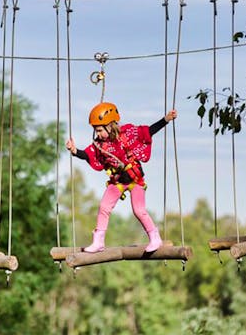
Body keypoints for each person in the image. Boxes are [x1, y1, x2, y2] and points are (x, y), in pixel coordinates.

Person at [65, 102, 178, 253]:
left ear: (110, 125)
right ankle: (98, 242)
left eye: (99, 130)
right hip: (118, 180)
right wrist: (74, 150)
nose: (97, 134)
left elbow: (148, 132)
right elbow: (88, 155)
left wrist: (166, 119)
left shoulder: (127, 135)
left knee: (139, 210)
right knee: (104, 207)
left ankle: (155, 238)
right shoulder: (100, 145)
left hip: (135, 179)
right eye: (96, 131)